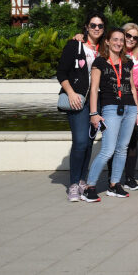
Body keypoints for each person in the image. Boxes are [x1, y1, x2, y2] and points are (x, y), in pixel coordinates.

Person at [82, 28, 138, 202]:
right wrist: (94, 113)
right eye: (115, 39)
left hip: (129, 108)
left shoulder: (127, 62)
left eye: (121, 40)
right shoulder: (100, 62)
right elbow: (93, 89)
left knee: (122, 149)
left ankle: (114, 185)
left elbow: (132, 88)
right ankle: (89, 186)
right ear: (107, 41)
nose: (118, 43)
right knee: (107, 150)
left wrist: (137, 110)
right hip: (111, 108)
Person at [57, 12, 104, 202]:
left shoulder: (105, 48)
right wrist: (70, 92)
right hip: (78, 99)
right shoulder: (75, 45)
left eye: (100, 26)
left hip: (98, 100)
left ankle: (83, 179)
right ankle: (74, 184)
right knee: (80, 142)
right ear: (86, 27)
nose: (96, 29)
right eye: (93, 25)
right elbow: (61, 72)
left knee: (89, 143)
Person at [107, 23, 138, 191]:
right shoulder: (115, 53)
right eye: (128, 36)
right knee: (115, 141)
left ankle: (129, 177)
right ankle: (113, 179)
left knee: (131, 141)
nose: (131, 39)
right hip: (117, 103)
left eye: (135, 37)